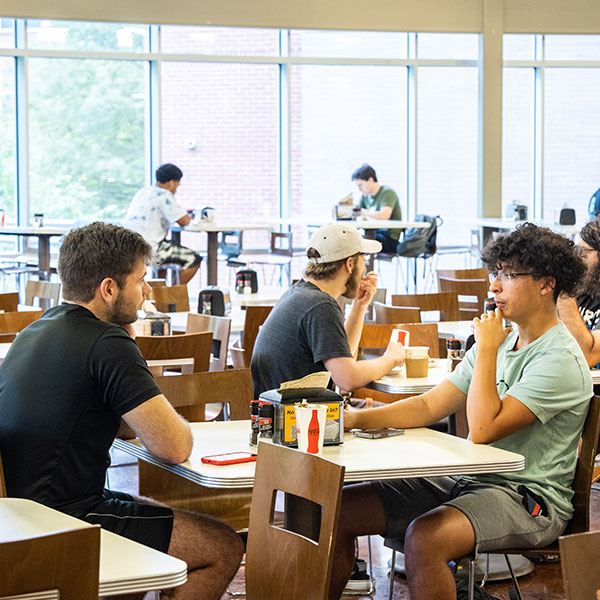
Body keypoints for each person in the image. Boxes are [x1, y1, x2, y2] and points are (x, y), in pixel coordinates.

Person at [328, 223, 592, 600]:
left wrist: (485, 349)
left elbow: (483, 429)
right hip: (472, 480)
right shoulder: (504, 339)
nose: (495, 286)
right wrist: (351, 420)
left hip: (528, 499)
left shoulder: (559, 359)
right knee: (338, 510)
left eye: (509, 275)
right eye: (495, 273)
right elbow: (429, 405)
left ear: (546, 283)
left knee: (426, 538)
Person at [0, 222, 243, 600]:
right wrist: (127, 348)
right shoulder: (106, 343)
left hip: (19, 515)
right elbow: (174, 447)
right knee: (223, 547)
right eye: (142, 280)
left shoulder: (33, 331)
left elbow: (121, 428)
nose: (148, 290)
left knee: (147, 514)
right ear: (109, 289)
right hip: (62, 521)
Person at [251, 222, 406, 398]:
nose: (364, 269)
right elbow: (348, 379)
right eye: (363, 260)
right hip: (295, 420)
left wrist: (360, 306)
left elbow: (342, 357)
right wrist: (392, 358)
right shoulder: (320, 305)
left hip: (280, 416)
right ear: (349, 264)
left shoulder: (300, 293)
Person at [124, 163, 201, 285]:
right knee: (194, 259)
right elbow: (183, 221)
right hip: (150, 249)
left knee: (165, 256)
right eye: (177, 185)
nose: (176, 189)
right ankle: (173, 297)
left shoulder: (143, 192)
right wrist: (189, 215)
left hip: (130, 248)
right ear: (171, 182)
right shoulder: (164, 194)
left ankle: (162, 296)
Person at [557, 218, 600, 367]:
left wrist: (562, 289)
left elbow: (586, 357)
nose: (578, 257)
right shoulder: (584, 289)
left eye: (584, 252)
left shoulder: (568, 295)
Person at [351, 163, 402, 254]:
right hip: (373, 235)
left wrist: (363, 212)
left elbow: (384, 215)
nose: (359, 189)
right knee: (351, 241)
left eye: (360, 185)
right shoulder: (365, 196)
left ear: (370, 180)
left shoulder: (387, 193)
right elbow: (356, 212)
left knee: (356, 244)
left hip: (388, 239)